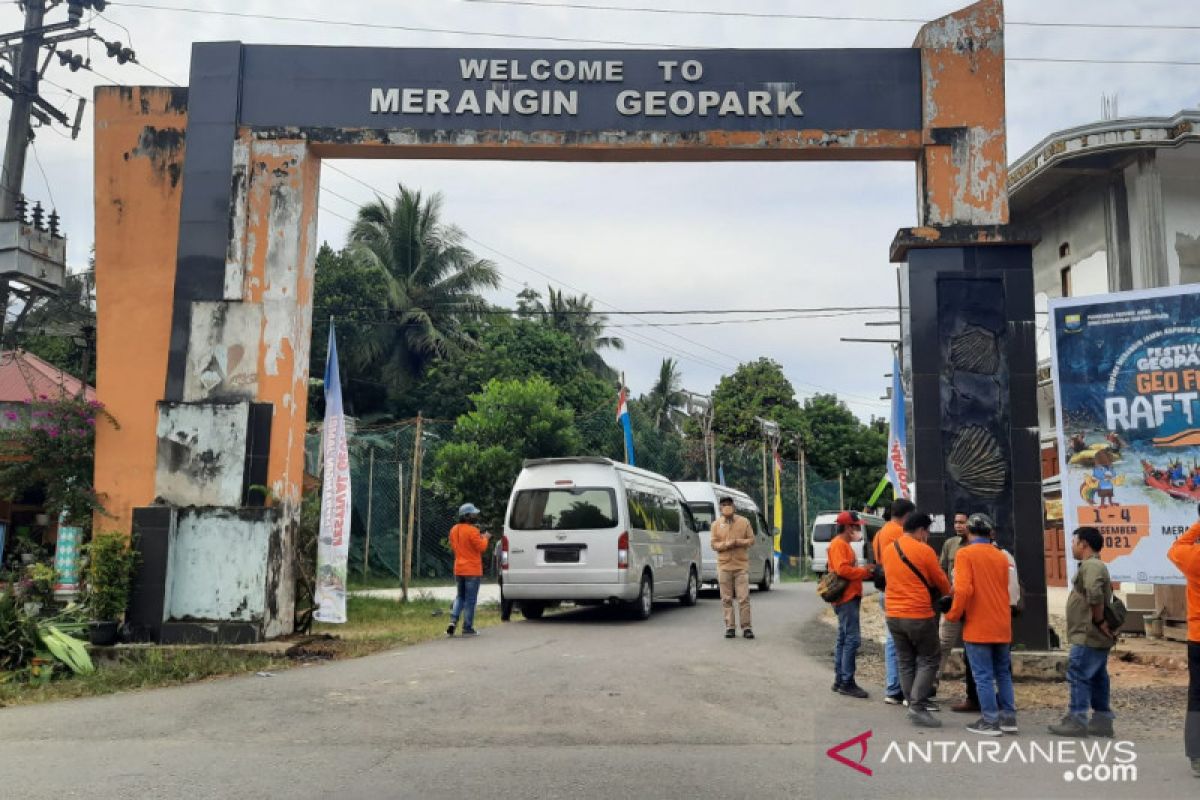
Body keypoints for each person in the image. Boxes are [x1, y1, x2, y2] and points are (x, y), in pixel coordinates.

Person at [945, 513, 1018, 736]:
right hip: (1002, 622)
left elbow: (964, 589)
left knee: (983, 675)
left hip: (978, 624)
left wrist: (953, 614)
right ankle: (1008, 718)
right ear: (990, 532)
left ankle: (990, 721)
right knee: (1003, 673)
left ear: (968, 531)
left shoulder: (964, 554)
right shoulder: (1001, 556)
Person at [880, 510, 951, 728]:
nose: (927, 536)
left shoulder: (889, 549)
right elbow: (940, 580)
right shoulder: (924, 550)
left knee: (905, 660)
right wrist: (949, 593)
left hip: (893, 614)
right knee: (929, 658)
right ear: (921, 530)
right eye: (927, 531)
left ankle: (911, 703)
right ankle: (918, 707)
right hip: (918, 613)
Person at [1049, 527, 1117, 737]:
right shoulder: (1094, 565)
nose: (1071, 546)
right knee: (1097, 676)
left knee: (1078, 674)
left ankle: (1077, 719)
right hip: (1092, 634)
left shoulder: (1092, 566)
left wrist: (1098, 621)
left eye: (1073, 542)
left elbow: (1094, 594)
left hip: (1088, 633)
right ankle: (1102, 721)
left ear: (1084, 544)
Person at [1167, 507, 1200, 778]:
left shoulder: (1192, 557)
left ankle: (1197, 756)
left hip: (1197, 638)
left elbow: (1176, 547)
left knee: (1197, 696)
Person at [828, 511, 875, 699]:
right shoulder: (839, 544)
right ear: (848, 527)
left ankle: (840, 680)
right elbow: (842, 570)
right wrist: (864, 572)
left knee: (843, 638)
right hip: (847, 598)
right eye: (856, 526)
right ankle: (847, 682)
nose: (858, 529)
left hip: (846, 597)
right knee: (852, 640)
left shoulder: (842, 544)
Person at [938, 511, 980, 714]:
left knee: (972, 649)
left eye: (962, 522)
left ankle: (973, 696)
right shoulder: (950, 544)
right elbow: (942, 569)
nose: (958, 526)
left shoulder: (979, 546)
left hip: (975, 606)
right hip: (954, 602)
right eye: (955, 522)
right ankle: (931, 686)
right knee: (943, 644)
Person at [874, 497, 914, 705]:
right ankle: (904, 689)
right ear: (907, 516)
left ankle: (893, 688)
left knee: (892, 640)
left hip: (885, 589)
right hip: (899, 590)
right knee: (904, 643)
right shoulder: (901, 534)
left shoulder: (880, 532)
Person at [711, 496, 755, 639]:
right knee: (726, 599)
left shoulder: (744, 522)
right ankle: (730, 627)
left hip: (740, 566)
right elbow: (713, 544)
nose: (726, 507)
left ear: (733, 506)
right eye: (723, 505)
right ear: (720, 508)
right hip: (724, 566)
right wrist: (726, 544)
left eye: (729, 504)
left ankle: (747, 627)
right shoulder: (716, 525)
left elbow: (751, 540)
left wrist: (738, 542)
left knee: (743, 598)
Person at [446, 503, 491, 637]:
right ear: (466, 516)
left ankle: (453, 620)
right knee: (470, 600)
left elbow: (454, 546)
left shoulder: (454, 529)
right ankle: (467, 627)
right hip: (472, 570)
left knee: (460, 596)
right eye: (473, 514)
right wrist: (486, 538)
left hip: (459, 568)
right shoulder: (472, 531)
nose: (475, 516)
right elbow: (481, 547)